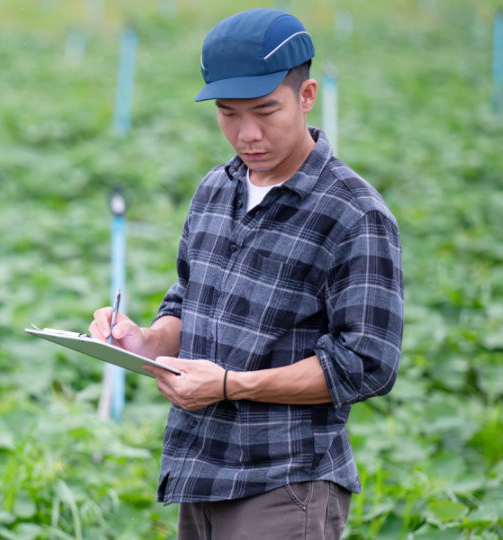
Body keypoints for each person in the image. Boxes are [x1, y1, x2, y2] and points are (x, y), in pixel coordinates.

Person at [89, 8, 403, 539]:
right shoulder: (216, 190)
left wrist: (232, 386)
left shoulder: (353, 213)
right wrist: (142, 340)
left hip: (285, 484)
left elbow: (366, 362)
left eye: (265, 110)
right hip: (201, 470)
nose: (247, 133)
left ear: (306, 97)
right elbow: (188, 304)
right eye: (229, 114)